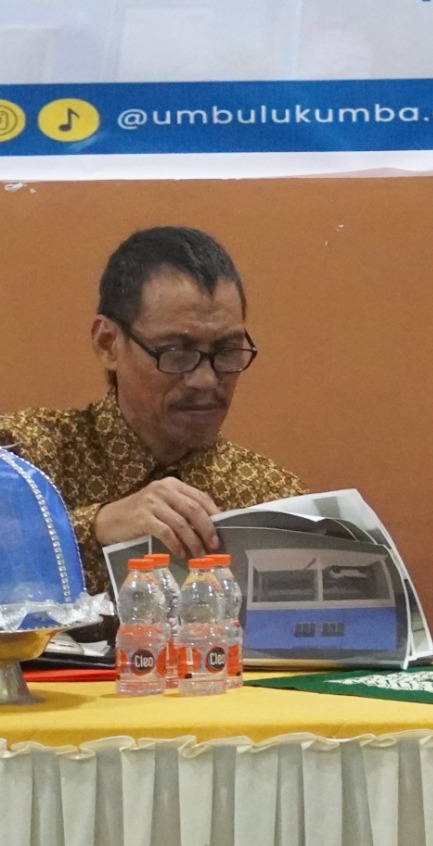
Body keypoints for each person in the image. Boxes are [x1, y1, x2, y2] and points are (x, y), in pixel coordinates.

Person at [0, 226, 306, 602]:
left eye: (227, 351)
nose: (206, 380)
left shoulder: (268, 497)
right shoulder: (24, 458)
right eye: (176, 352)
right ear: (108, 344)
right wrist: (93, 526)